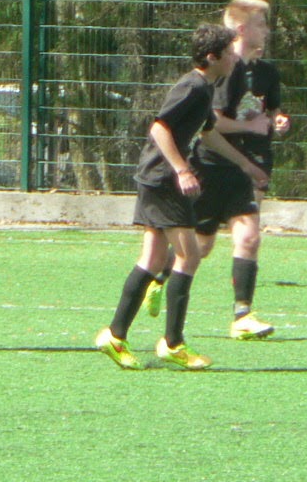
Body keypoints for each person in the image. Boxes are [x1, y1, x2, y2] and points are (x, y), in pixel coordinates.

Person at [96, 24, 266, 372]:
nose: (235, 57)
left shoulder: (205, 89)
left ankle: (115, 336)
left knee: (154, 258)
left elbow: (209, 134)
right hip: (163, 180)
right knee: (188, 256)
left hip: (156, 179)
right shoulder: (192, 86)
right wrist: (182, 170)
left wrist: (245, 164)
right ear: (212, 57)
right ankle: (173, 343)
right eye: (230, 52)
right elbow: (160, 128)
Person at [146, 0, 286, 340]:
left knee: (249, 237)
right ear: (241, 29)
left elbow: (266, 113)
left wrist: (274, 122)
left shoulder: (265, 72)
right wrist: (248, 130)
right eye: (261, 23)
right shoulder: (224, 69)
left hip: (242, 169)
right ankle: (158, 279)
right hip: (209, 168)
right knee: (201, 247)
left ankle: (242, 315)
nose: (267, 30)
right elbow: (212, 126)